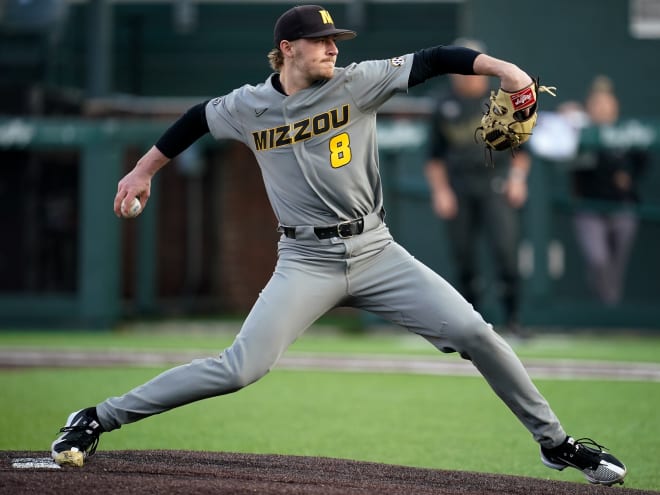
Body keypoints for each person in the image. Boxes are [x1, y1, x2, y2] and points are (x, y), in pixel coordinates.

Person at [50, 5, 626, 486]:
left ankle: (557, 443)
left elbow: (434, 59)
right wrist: (143, 171)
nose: (333, 49)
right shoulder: (248, 106)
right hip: (305, 261)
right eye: (321, 41)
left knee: (477, 332)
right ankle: (98, 417)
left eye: (334, 40)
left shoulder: (359, 81)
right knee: (239, 369)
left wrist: (506, 69)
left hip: (377, 252)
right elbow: (196, 119)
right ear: (287, 48)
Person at [424, 39, 531, 338]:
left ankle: (513, 320)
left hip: (496, 184)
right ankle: (473, 324)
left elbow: (522, 149)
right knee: (464, 258)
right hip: (459, 187)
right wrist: (440, 191)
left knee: (506, 253)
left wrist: (517, 180)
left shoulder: (499, 101)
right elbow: (434, 157)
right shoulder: (443, 104)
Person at [569, 76, 649, 306]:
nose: (602, 108)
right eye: (596, 104)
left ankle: (609, 309)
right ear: (588, 107)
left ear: (615, 106)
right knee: (598, 260)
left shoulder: (627, 133)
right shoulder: (579, 131)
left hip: (622, 207)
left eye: (606, 103)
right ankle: (607, 308)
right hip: (589, 208)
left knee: (615, 265)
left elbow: (643, 159)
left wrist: (628, 176)